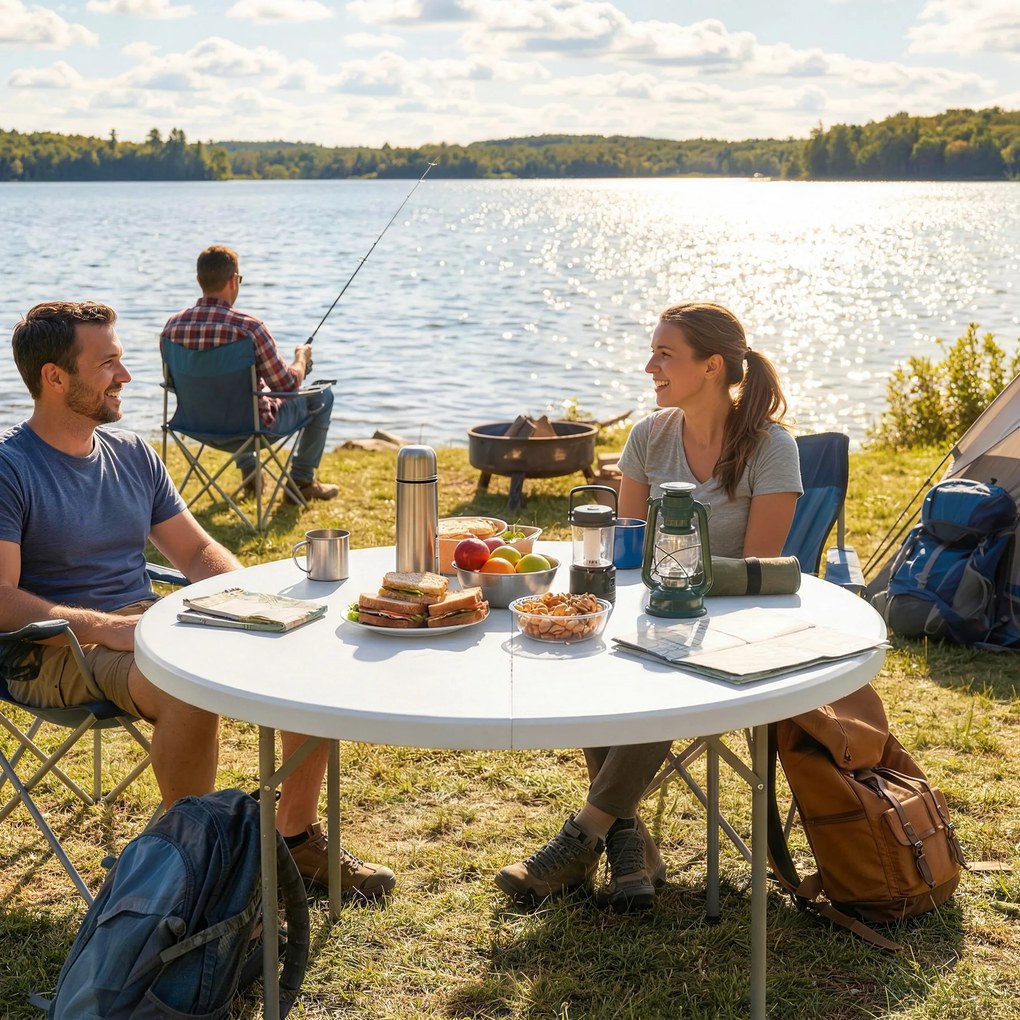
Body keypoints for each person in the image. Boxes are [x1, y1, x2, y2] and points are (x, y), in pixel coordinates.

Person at [0, 301, 393, 898]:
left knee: (306, 654)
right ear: (55, 377)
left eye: (122, 360)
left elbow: (197, 554)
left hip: (144, 627)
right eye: (107, 364)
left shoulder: (131, 454)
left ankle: (294, 840)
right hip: (51, 648)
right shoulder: (11, 468)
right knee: (184, 682)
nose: (125, 377)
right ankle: (198, 869)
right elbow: (2, 600)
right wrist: (105, 627)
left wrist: (254, 602)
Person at [495, 301, 802, 912]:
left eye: (665, 354)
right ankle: (629, 841)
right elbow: (626, 552)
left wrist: (681, 590)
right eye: (652, 351)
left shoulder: (771, 447)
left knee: (654, 681)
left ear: (711, 366)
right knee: (592, 652)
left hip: (731, 636)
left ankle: (583, 838)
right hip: (651, 619)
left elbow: (758, 570)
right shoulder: (649, 436)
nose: (649, 366)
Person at [161, 245, 338, 503]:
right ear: (234, 280)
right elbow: (288, 386)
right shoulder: (249, 328)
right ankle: (301, 479)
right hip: (252, 430)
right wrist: (301, 357)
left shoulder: (172, 327)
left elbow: (173, 384)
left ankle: (250, 470)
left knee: (235, 395)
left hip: (193, 425)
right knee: (323, 396)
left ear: (199, 280)